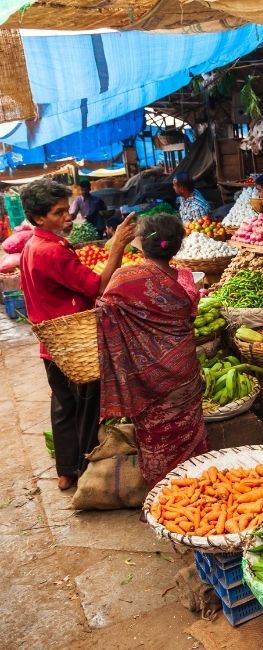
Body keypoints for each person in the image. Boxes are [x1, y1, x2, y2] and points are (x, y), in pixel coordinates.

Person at [19, 179, 137, 490]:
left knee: (62, 406)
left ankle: (66, 471)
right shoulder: (51, 252)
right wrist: (119, 244)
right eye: (59, 213)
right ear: (39, 217)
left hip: (52, 346)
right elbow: (97, 287)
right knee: (87, 406)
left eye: (66, 210)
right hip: (76, 344)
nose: (68, 217)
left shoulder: (33, 245)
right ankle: (86, 471)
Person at [96, 213, 207, 487]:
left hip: (147, 378)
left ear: (142, 245)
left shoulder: (125, 278)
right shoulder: (185, 278)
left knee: (154, 435)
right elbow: (191, 311)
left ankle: (161, 494)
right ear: (178, 246)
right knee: (189, 430)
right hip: (184, 371)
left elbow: (104, 306)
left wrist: (117, 248)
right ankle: (198, 487)